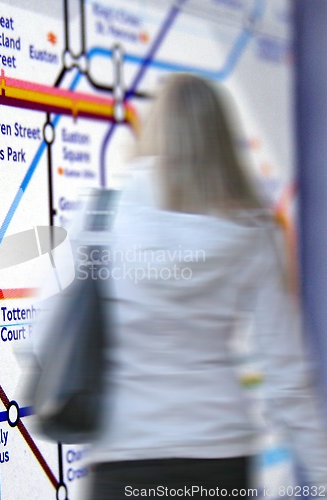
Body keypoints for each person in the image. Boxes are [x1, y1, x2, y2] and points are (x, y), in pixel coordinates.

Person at [73, 74, 327, 498]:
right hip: (219, 459)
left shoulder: (100, 216)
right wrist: (321, 474)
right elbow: (284, 374)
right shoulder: (252, 229)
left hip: (125, 459)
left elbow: (48, 338)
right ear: (221, 138)